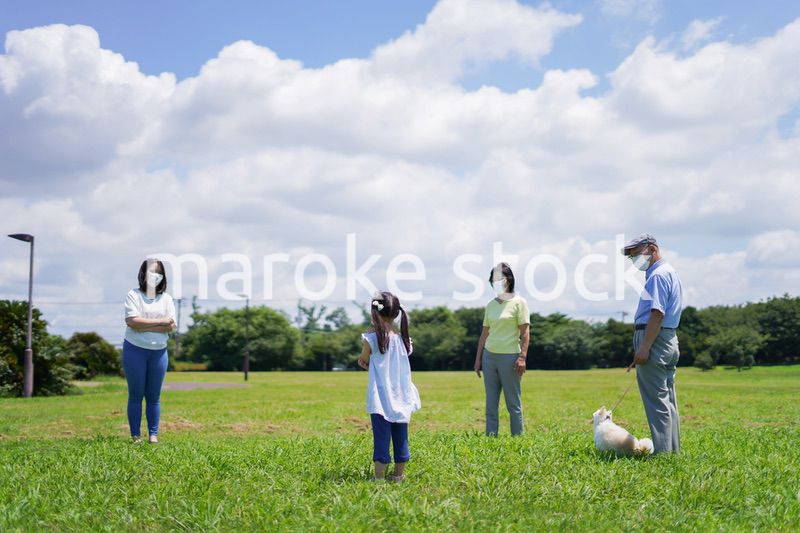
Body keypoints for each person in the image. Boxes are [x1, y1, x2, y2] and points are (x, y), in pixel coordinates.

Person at [623, 233, 683, 454]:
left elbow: (657, 313)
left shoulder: (657, 275)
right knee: (668, 400)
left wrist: (645, 346)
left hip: (654, 339)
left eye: (636, 254)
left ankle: (662, 454)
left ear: (651, 248)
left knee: (656, 401)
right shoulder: (670, 272)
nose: (634, 261)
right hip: (668, 338)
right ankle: (672, 451)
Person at [357, 290, 421, 482]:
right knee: (401, 435)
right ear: (395, 313)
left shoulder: (371, 338)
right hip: (402, 395)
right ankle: (398, 474)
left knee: (382, 436)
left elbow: (364, 359)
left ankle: (379, 477)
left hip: (380, 396)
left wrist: (363, 361)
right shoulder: (404, 340)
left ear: (373, 312)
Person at [122, 258, 176, 444]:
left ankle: (153, 435)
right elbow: (132, 322)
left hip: (159, 352)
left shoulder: (167, 299)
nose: (155, 276)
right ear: (143, 274)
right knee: (136, 394)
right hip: (135, 350)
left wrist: (144, 325)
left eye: (159, 272)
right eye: (152, 272)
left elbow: (171, 326)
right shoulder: (133, 295)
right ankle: (135, 436)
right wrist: (160, 322)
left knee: (154, 396)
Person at [473, 263, 530, 436]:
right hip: (490, 358)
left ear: (508, 280)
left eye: (498, 279)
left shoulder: (519, 303)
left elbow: (525, 333)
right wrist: (478, 359)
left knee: (513, 403)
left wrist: (522, 357)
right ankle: (491, 438)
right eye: (492, 281)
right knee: (491, 404)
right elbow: (484, 334)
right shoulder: (490, 305)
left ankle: (517, 439)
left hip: (510, 358)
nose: (495, 283)